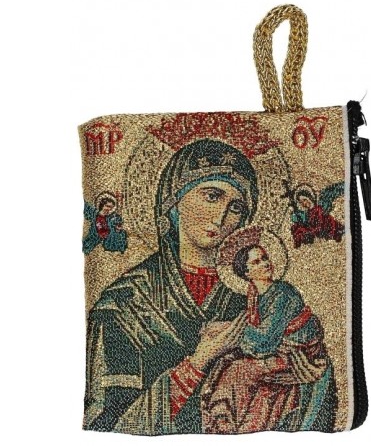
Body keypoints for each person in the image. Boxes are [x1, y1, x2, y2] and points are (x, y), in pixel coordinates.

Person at [83, 139, 259, 435]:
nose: (220, 217)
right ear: (174, 200)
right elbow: (108, 424)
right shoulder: (122, 304)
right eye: (212, 196)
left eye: (236, 207)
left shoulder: (255, 296)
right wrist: (199, 361)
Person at [200, 234, 337, 433]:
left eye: (264, 258)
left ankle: (226, 422)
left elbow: (265, 341)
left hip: (298, 357)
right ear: (246, 272)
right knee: (225, 362)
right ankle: (222, 420)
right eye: (257, 262)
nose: (265, 263)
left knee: (239, 370)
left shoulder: (283, 293)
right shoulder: (255, 297)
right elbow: (251, 327)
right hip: (278, 352)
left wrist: (230, 332)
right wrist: (225, 328)